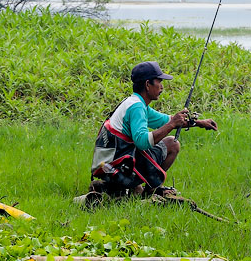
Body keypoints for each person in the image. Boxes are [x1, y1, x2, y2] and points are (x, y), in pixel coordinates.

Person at [89, 61, 217, 198]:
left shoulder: (135, 103)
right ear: (147, 85)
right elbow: (142, 142)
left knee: (166, 142)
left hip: (109, 165)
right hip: (117, 168)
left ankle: (129, 188)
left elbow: (166, 120)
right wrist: (172, 124)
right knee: (173, 144)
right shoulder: (137, 108)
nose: (162, 87)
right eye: (159, 82)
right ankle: (151, 191)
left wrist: (198, 123)